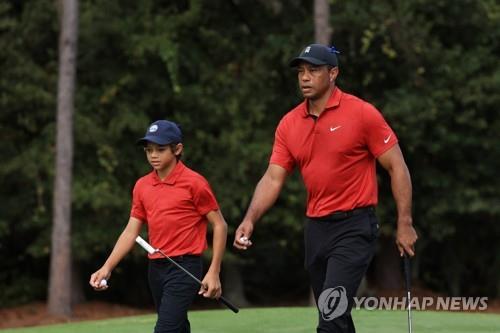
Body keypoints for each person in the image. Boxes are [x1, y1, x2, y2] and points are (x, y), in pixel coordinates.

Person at [233, 44, 418, 333]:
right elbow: (272, 178)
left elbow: (397, 166)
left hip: (354, 226)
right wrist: (249, 219)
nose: (305, 77)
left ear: (333, 73)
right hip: (316, 229)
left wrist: (404, 222)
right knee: (337, 316)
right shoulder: (289, 124)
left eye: (313, 71)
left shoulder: (362, 114)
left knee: (330, 318)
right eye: (301, 72)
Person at [90, 120, 228, 333]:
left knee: (165, 329)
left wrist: (214, 271)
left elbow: (220, 225)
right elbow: (130, 231)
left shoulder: (194, 183)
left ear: (177, 149)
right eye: (149, 150)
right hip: (156, 269)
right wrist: (107, 267)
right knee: (177, 328)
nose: (153, 155)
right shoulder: (142, 186)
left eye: (160, 149)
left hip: (185, 267)